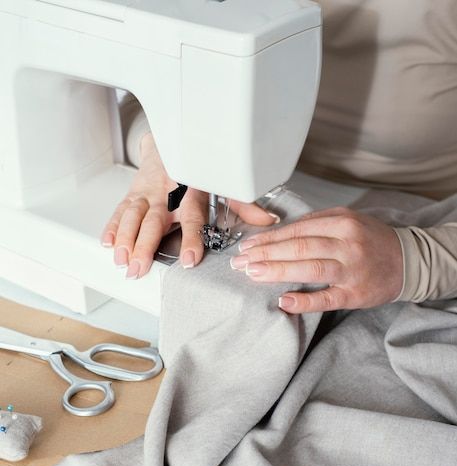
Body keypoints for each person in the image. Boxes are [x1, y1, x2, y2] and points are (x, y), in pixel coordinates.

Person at [101, 0, 457, 314]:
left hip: (420, 207)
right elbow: (140, 79)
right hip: (257, 192)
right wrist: (164, 148)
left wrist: (414, 261)